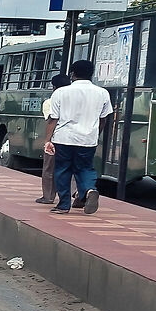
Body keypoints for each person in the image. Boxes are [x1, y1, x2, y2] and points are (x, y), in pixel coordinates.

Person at [45, 60, 111, 214]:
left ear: (72, 74)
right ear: (91, 74)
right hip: (88, 139)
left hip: (63, 138)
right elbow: (104, 118)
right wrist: (96, 133)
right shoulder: (102, 93)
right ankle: (89, 190)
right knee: (85, 168)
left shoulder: (60, 92)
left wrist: (47, 140)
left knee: (62, 170)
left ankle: (63, 205)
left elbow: (53, 118)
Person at [32, 72, 71, 204]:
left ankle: (48, 196)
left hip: (57, 139)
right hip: (77, 140)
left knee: (49, 168)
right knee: (72, 168)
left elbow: (51, 121)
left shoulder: (50, 102)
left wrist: (47, 140)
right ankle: (75, 195)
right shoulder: (78, 100)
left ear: (54, 87)